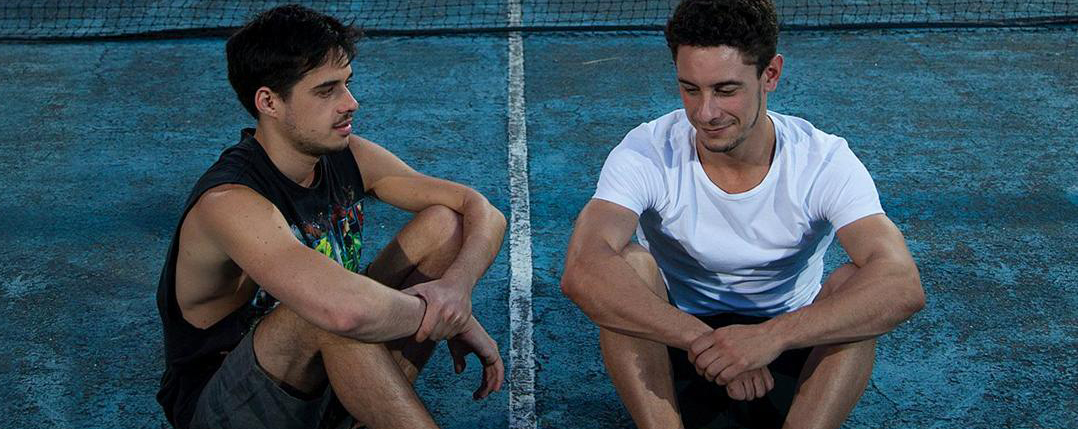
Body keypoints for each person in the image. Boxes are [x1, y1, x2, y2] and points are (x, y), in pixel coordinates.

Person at [560, 0, 925, 427]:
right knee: (628, 263)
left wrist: (770, 338)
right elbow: (583, 268)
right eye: (690, 89)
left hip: (789, 351)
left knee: (856, 283)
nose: (705, 113)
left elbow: (902, 285)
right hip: (674, 345)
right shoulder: (647, 150)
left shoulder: (824, 160)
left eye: (726, 90)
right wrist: (709, 342)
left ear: (770, 74)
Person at [154, 5, 506, 429]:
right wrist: (446, 318)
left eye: (347, 84)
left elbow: (479, 209)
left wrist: (456, 289)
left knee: (445, 226)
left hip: (324, 369)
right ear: (268, 102)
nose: (350, 103)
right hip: (228, 406)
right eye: (326, 91)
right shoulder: (230, 201)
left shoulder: (347, 155)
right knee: (324, 312)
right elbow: (344, 312)